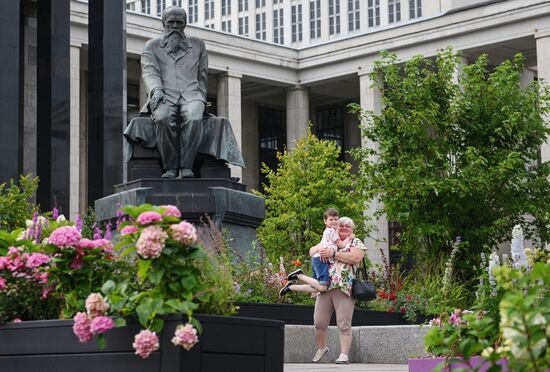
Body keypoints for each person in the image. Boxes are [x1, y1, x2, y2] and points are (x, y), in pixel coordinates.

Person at [141, 6, 208, 178]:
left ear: (185, 24)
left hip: (191, 95)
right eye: (171, 22)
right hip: (165, 95)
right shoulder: (152, 46)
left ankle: (187, 167)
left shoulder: (198, 45)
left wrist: (200, 97)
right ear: (164, 23)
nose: (175, 26)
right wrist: (156, 90)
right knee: (162, 117)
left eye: (180, 23)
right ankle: (170, 167)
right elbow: (150, 72)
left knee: (194, 118)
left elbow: (203, 76)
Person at [310, 217, 366, 364]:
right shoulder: (329, 238)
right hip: (325, 287)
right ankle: (322, 348)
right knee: (319, 323)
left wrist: (333, 254)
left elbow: (355, 257)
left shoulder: (355, 242)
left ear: (352, 229)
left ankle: (344, 355)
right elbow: (311, 251)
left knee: (344, 323)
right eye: (341, 226)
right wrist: (320, 249)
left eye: (348, 226)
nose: (344, 228)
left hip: (343, 288)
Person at [279, 208, 354, 296]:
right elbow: (341, 245)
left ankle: (291, 287)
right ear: (325, 221)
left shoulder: (332, 231)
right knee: (322, 287)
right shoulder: (331, 232)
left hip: (317, 259)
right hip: (320, 260)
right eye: (331, 219)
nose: (334, 221)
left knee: (315, 288)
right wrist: (349, 237)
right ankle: (299, 275)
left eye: (336, 219)